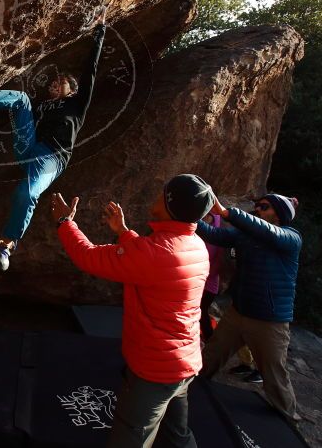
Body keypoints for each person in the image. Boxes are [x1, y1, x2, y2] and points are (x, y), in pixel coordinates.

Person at [51, 174, 214, 448]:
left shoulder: (154, 252)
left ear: (169, 204)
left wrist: (64, 223)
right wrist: (124, 233)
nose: (157, 195)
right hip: (184, 361)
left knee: (132, 437)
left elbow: (89, 256)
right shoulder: (196, 246)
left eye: (164, 193)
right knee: (177, 436)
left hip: (155, 370)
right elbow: (154, 262)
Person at [0, 17, 107, 271]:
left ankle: (8, 244)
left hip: (51, 158)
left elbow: (90, 71)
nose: (54, 85)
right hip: (28, 146)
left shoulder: (77, 104)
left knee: (26, 193)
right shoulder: (42, 106)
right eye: (53, 83)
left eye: (60, 82)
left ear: (73, 89)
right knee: (21, 99)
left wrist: (100, 32)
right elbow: (11, 115)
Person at [195, 193, 302, 422]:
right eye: (258, 206)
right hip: (238, 312)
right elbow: (214, 235)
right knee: (211, 355)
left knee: (274, 374)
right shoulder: (246, 235)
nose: (258, 209)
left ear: (280, 213)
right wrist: (189, 218)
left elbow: (268, 232)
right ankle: (192, 393)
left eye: (264, 206)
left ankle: (287, 418)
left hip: (270, 320)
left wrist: (226, 213)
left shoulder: (291, 237)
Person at [199, 212, 224, 342]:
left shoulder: (220, 224)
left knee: (201, 312)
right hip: (194, 277)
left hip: (208, 282)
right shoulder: (195, 220)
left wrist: (205, 275)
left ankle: (209, 341)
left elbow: (220, 258)